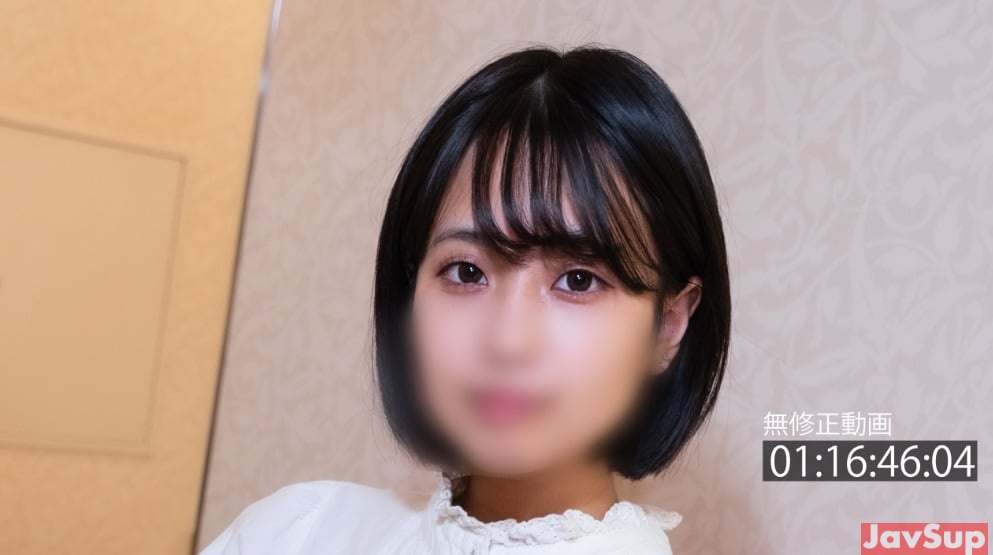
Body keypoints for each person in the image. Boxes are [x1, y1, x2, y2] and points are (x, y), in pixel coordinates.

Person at [200, 43, 731, 554]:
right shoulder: (296, 533)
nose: (507, 341)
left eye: (578, 281)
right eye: (467, 272)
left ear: (669, 323)